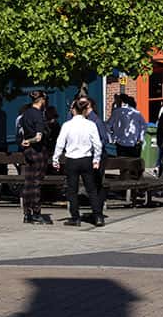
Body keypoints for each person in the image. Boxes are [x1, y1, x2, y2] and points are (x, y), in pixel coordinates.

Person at [52, 98, 105, 227]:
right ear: (85, 110)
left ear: (74, 110)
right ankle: (98, 216)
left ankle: (75, 217)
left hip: (72, 160)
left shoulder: (67, 125)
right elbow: (97, 144)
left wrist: (56, 158)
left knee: (72, 190)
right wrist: (96, 159)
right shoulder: (90, 124)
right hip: (86, 159)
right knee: (91, 189)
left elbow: (60, 143)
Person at [16, 91, 53, 224]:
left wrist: (25, 142)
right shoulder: (38, 115)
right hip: (38, 151)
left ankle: (27, 213)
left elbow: (20, 132)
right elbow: (39, 137)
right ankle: (36, 212)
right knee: (36, 183)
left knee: (28, 182)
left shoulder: (25, 114)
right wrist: (30, 141)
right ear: (41, 100)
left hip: (28, 153)